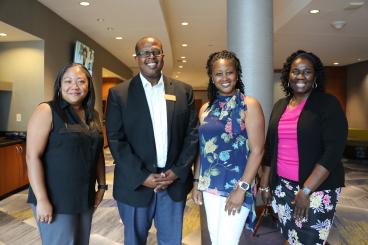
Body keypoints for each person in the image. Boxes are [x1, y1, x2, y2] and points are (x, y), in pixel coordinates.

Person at [106, 36, 198, 245]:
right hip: (136, 184)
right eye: (145, 53)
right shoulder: (119, 94)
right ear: (137, 58)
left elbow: (192, 135)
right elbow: (116, 139)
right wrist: (142, 176)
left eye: (156, 51)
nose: (151, 57)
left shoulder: (184, 91)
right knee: (134, 240)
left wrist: (177, 171)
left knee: (171, 241)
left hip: (173, 183)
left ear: (163, 55)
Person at [260, 50, 348, 245]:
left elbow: (332, 152)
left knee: (309, 239)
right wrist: (265, 184)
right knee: (289, 236)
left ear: (315, 76)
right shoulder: (280, 105)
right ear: (288, 75)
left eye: (307, 71)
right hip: (282, 186)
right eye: (295, 71)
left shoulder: (328, 104)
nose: (300, 76)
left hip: (316, 189)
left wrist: (306, 191)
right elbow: (270, 147)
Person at [26, 63, 106, 245]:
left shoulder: (92, 114)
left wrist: (101, 186)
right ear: (59, 85)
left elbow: (97, 152)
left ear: (88, 85)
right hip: (56, 198)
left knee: (80, 242)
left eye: (81, 81)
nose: (74, 86)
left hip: (84, 195)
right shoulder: (47, 111)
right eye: (68, 81)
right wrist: (42, 199)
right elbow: (32, 157)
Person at [192, 50, 265, 245]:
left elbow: (258, 151)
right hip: (209, 184)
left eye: (229, 72)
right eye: (218, 73)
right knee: (216, 239)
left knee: (226, 241)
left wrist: (241, 189)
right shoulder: (206, 109)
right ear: (211, 77)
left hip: (237, 184)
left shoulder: (249, 105)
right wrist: (197, 182)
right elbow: (203, 148)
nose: (224, 78)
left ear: (237, 73)